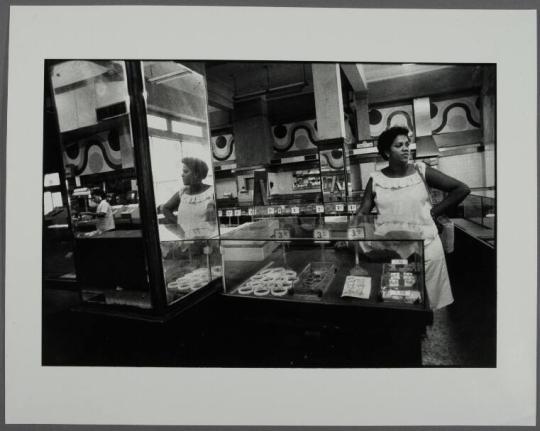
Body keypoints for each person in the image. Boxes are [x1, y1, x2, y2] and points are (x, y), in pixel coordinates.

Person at [357, 126, 470, 309]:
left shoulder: (421, 171)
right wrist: (351, 233)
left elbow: (462, 189)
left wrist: (434, 212)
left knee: (428, 301)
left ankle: (426, 331)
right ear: (387, 152)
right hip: (395, 250)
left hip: (427, 247)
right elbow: (363, 212)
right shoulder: (376, 179)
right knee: (401, 300)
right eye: (399, 145)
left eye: (407, 144)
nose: (405, 148)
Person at [162, 157, 217, 239]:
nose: (182, 174)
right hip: (186, 241)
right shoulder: (182, 193)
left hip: (207, 242)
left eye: (186, 171)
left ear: (196, 174)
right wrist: (178, 224)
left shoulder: (211, 192)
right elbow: (165, 208)